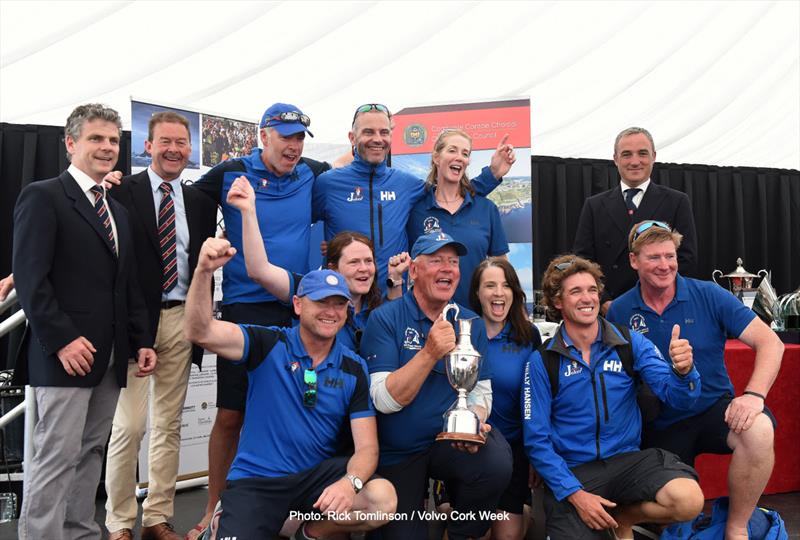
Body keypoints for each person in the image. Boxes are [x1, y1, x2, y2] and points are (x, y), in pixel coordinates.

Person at [184, 239, 397, 539]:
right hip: (257, 482)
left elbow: (367, 449)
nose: (331, 311)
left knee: (381, 499)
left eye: (339, 304)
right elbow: (199, 330)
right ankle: (229, 517)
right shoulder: (268, 344)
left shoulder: (354, 367)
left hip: (313, 481)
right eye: (321, 301)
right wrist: (204, 271)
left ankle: (308, 532)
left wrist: (350, 483)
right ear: (298, 304)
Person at [11, 103, 157, 539]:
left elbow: (126, 286)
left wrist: (141, 340)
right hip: (65, 357)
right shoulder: (43, 196)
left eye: (113, 140)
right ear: (71, 143)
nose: (107, 147)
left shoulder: (118, 213)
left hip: (110, 357)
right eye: (96, 138)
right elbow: (32, 279)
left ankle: (78, 531)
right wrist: (61, 341)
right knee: (54, 455)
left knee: (92, 450)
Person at [187, 102, 330, 537]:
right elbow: (177, 196)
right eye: (285, 136)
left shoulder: (314, 172)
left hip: (296, 306)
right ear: (263, 135)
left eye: (299, 137)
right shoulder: (230, 171)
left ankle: (292, 510)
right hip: (245, 309)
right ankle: (214, 508)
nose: (294, 146)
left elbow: (348, 166)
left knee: (298, 411)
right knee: (232, 414)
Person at [607, 220, 785, 540]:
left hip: (713, 409)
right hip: (659, 424)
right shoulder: (619, 310)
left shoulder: (709, 294)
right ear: (634, 260)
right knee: (675, 520)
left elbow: (770, 342)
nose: (665, 265)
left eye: (670, 256)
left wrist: (754, 396)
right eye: (654, 258)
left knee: (758, 428)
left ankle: (737, 528)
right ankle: (640, 519)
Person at [522, 254, 705, 540]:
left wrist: (684, 372)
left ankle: (624, 517)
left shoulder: (629, 342)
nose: (587, 298)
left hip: (627, 463)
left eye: (592, 289)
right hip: (575, 472)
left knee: (689, 499)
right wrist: (576, 495)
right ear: (557, 302)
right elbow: (537, 440)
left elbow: (678, 397)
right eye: (576, 291)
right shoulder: (541, 361)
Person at [99, 112, 218, 540]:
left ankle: (157, 518)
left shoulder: (202, 202)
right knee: (129, 426)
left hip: (183, 322)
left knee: (169, 425)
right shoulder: (119, 191)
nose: (173, 149)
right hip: (135, 324)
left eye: (181, 143)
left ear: (191, 149)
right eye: (164, 141)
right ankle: (118, 522)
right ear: (147, 147)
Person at [361, 230, 513, 540]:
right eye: (437, 261)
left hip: (449, 443)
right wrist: (429, 353)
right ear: (414, 271)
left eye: (453, 262)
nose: (448, 269)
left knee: (495, 461)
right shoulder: (385, 318)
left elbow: (481, 391)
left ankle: (457, 534)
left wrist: (473, 424)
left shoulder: (470, 323)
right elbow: (383, 400)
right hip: (399, 451)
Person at [313, 103, 516, 294]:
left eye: (384, 132)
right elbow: (299, 226)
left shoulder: (406, 184)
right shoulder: (327, 184)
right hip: (343, 300)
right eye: (368, 132)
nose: (377, 139)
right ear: (352, 137)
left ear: (391, 138)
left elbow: (450, 193)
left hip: (392, 299)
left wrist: (493, 174)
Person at [226, 175, 409, 353]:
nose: (363, 268)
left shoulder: (375, 306)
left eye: (368, 261)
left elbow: (397, 330)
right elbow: (259, 270)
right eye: (353, 262)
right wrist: (248, 210)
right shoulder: (310, 288)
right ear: (333, 268)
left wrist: (396, 278)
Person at [572, 126, 697, 312]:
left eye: (642, 153)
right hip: (610, 309)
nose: (635, 161)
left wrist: (657, 296)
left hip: (661, 307)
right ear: (615, 159)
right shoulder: (594, 206)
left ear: (653, 156)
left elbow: (686, 258)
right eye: (627, 154)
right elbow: (583, 261)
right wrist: (604, 300)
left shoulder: (677, 202)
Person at [464, 257, 542, 540]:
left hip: (514, 452)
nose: (499, 292)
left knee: (508, 535)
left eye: (506, 285)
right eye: (490, 286)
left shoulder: (528, 335)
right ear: (477, 293)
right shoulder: (463, 335)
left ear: (515, 293)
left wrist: (535, 454)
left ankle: (526, 515)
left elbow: (537, 401)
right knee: (474, 533)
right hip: (470, 451)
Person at [408, 129, 509, 306]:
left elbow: (501, 268)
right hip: (426, 318)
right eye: (452, 150)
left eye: (465, 153)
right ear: (436, 157)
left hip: (476, 317)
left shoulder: (486, 209)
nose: (460, 157)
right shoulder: (415, 210)